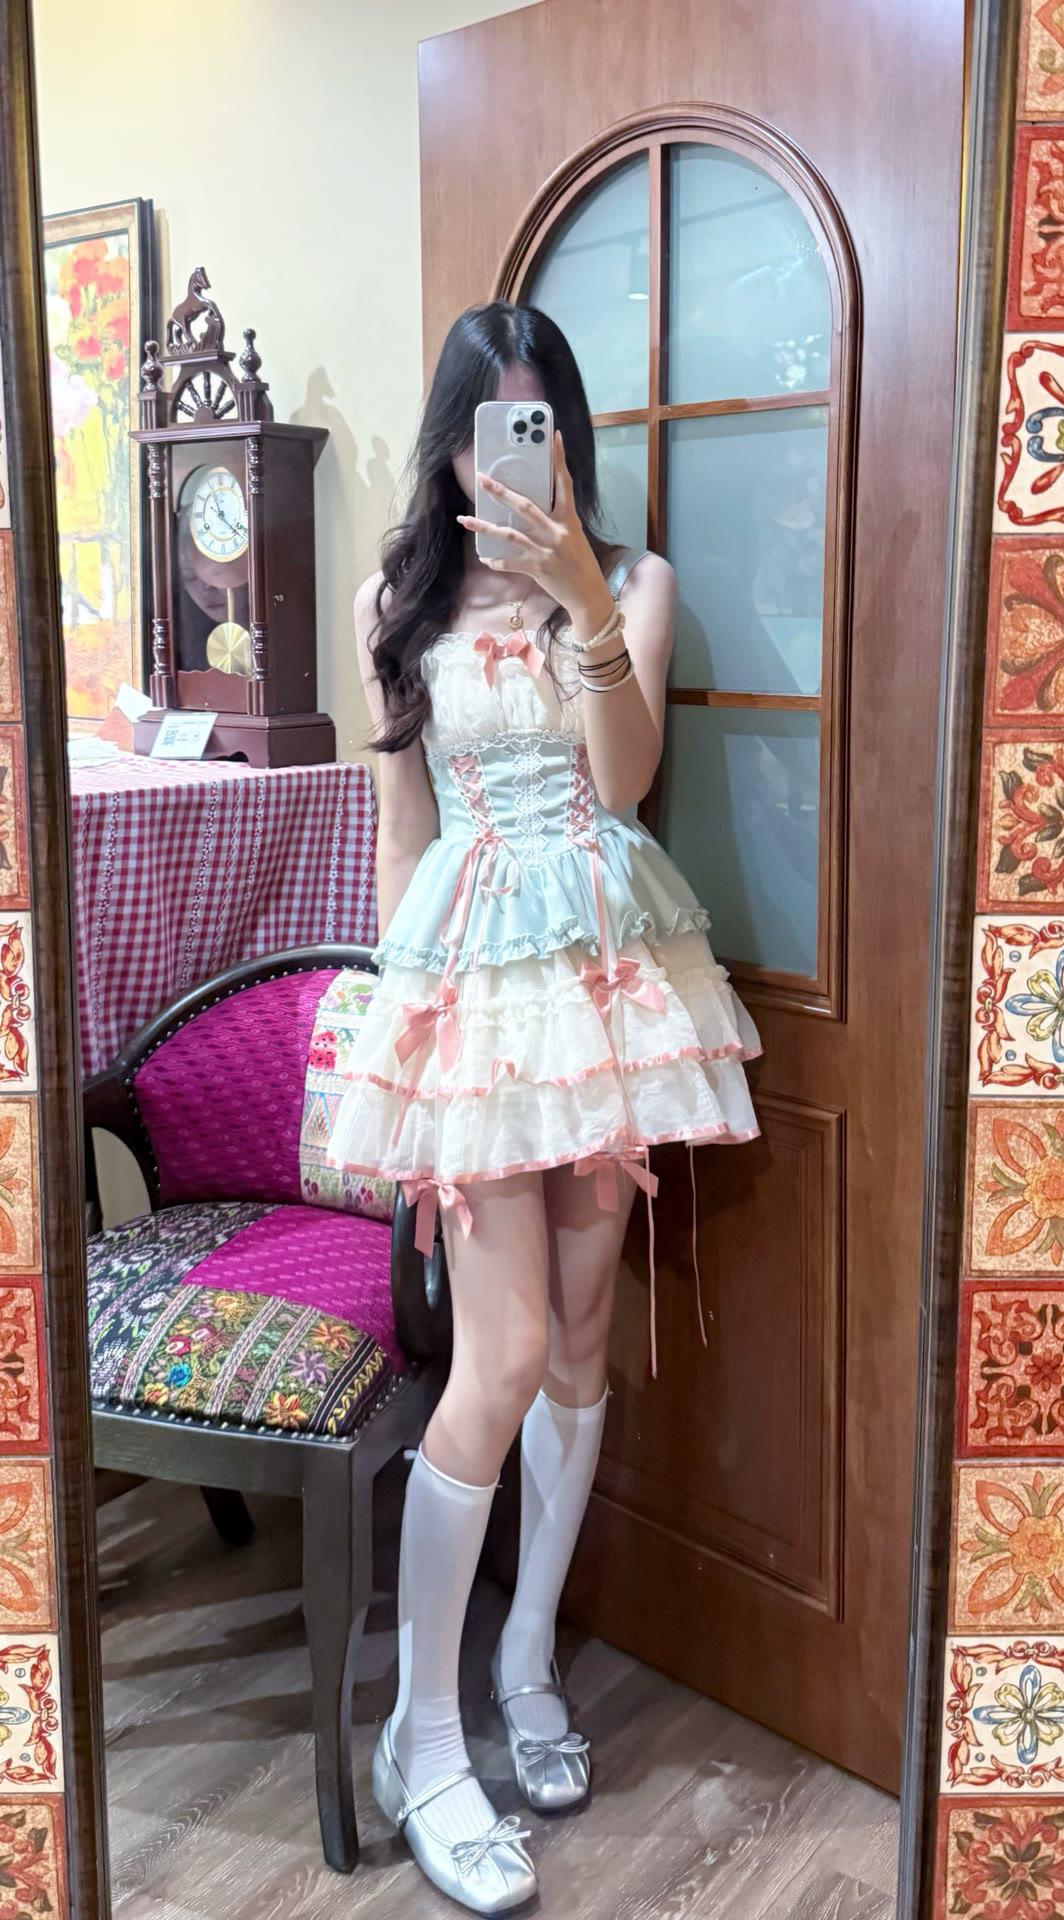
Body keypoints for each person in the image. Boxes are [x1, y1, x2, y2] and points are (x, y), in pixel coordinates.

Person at [328, 301, 762, 1914]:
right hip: (472, 996)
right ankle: (422, 1737)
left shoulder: (633, 583)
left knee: (580, 1338)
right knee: (499, 1352)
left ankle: (524, 1661)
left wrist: (582, 594)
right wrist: (398, 1068)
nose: (511, 457)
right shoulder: (397, 600)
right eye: (486, 430)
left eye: (539, 427)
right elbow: (402, 834)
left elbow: (625, 779)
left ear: (564, 440)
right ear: (449, 444)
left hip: (607, 982)